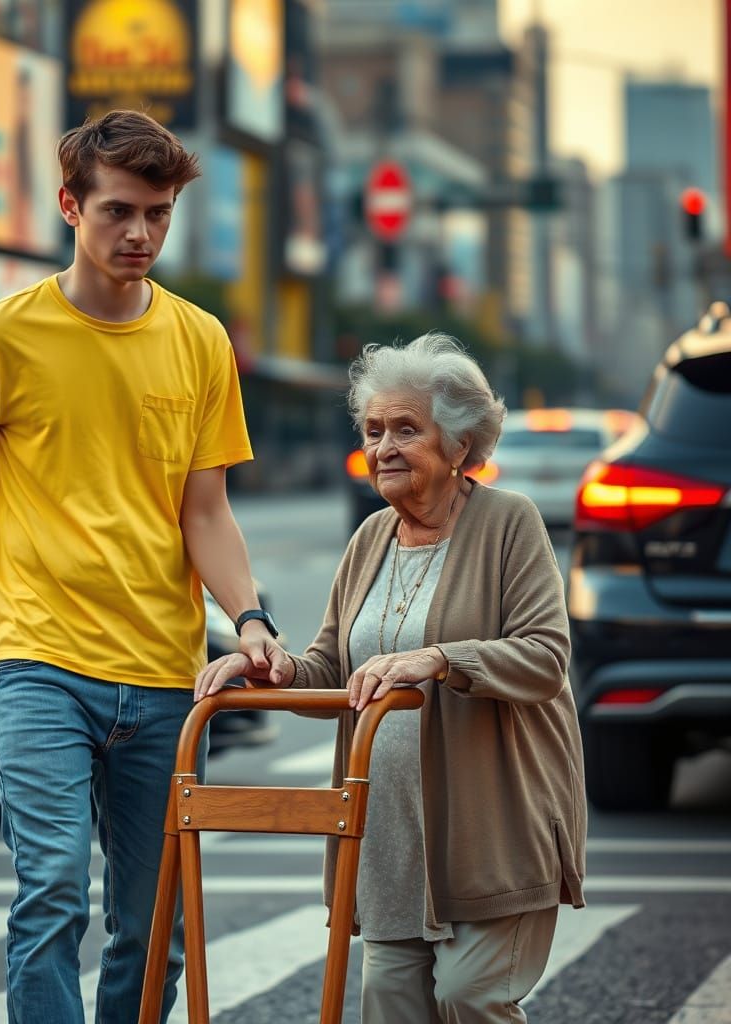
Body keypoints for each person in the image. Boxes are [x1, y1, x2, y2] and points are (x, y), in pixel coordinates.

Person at [0, 110, 285, 1024]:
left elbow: (207, 510)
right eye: (117, 211)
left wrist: (253, 617)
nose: (139, 233)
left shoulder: (200, 341)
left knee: (154, 928)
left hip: (163, 670)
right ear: (70, 206)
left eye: (158, 212)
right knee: (54, 890)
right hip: (39, 662)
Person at [196, 332, 588, 1024]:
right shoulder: (370, 537)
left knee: (470, 997)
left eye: (407, 429)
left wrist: (440, 658)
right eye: (374, 430)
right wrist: (272, 666)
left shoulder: (509, 524)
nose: (383, 448)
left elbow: (545, 655)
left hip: (492, 829)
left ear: (460, 445)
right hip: (388, 838)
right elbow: (331, 669)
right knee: (392, 1008)